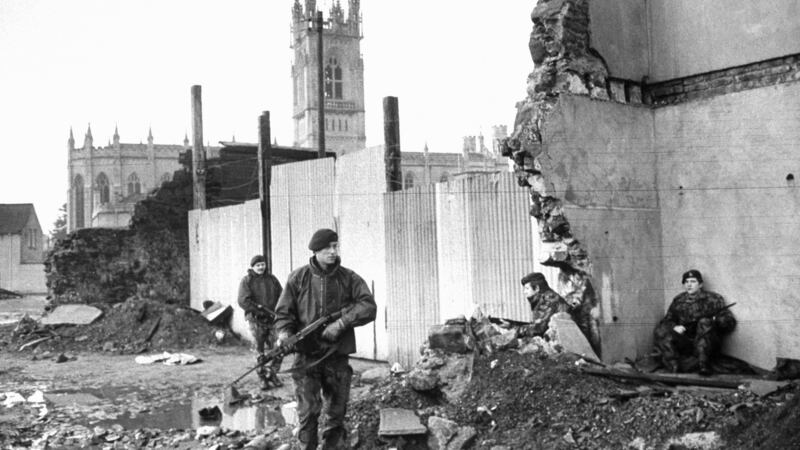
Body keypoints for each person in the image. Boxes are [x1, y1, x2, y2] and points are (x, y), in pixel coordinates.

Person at [274, 228, 377, 450]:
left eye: (335, 246)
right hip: (306, 357)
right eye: (327, 248)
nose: (333, 251)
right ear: (315, 251)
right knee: (308, 414)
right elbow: (283, 313)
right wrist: (284, 334)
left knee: (336, 413)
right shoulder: (298, 278)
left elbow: (368, 306)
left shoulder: (348, 278)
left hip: (337, 356)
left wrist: (341, 323)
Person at [653, 269, 736, 375]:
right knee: (660, 330)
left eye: (693, 281)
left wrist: (716, 320)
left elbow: (729, 323)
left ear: (700, 284)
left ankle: (703, 365)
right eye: (686, 282)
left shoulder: (714, 299)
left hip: (708, 344)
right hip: (687, 343)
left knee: (704, 322)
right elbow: (666, 321)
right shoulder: (679, 300)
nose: (689, 285)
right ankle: (673, 366)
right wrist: (675, 327)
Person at [237, 254, 284, 390]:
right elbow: (243, 300)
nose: (261, 267)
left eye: (262, 264)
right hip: (255, 321)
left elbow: (282, 296)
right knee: (259, 351)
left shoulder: (272, 279)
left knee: (279, 348)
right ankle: (262, 378)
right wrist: (259, 312)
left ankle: (272, 374)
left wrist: (278, 312)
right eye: (258, 265)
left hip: (272, 320)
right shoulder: (247, 281)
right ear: (253, 267)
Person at [520, 272, 573, 336]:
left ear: (537, 288)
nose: (524, 292)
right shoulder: (545, 297)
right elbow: (537, 325)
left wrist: (516, 330)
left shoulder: (549, 300)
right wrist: (512, 324)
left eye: (527, 288)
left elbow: (539, 329)